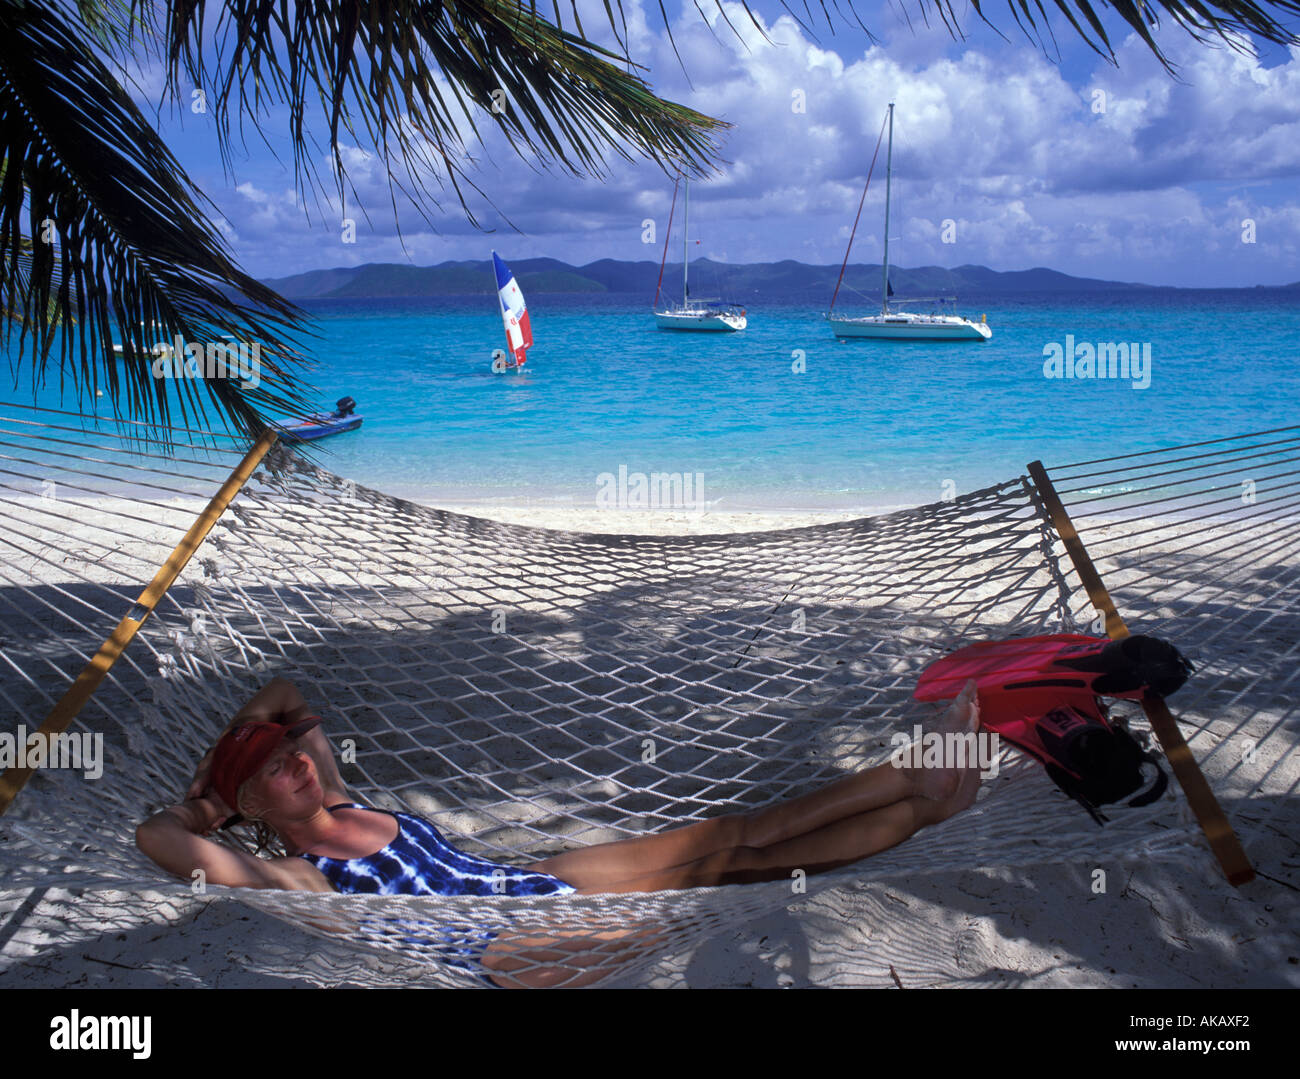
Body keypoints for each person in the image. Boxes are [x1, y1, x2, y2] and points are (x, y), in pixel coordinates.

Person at [137, 676, 983, 986]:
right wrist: (208, 806)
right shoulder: (307, 876)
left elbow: (282, 691)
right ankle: (923, 805)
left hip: (530, 880)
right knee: (724, 870)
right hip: (506, 951)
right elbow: (159, 842)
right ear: (255, 809)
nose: (299, 761)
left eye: (296, 754)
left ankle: (915, 780)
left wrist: (237, 762)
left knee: (728, 832)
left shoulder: (342, 796)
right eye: (277, 771)